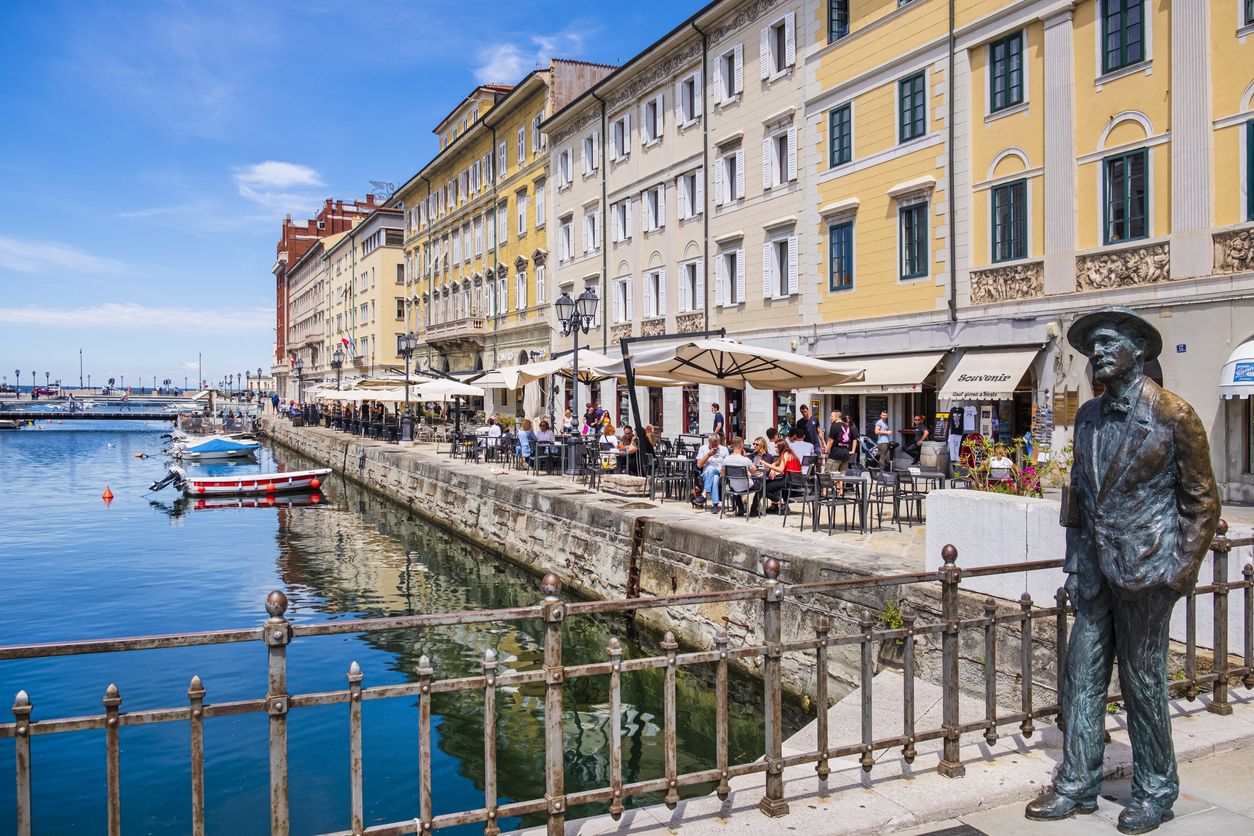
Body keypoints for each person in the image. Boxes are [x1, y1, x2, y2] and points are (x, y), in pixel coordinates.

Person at [1024, 308, 1220, 834]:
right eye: (1094, 347)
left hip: (1147, 571)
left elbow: (1202, 501)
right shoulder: (1087, 417)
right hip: (1095, 571)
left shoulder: (1173, 414)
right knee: (1079, 677)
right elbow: (1079, 499)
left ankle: (1155, 789)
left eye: (1110, 343)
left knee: (1143, 682)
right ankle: (1077, 782)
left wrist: (1178, 573)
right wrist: (1076, 564)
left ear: (1138, 347)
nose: (1099, 353)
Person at [720, 436, 762, 517]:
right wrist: (745, 457)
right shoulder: (745, 460)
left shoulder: (726, 460)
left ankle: (740, 509)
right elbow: (754, 471)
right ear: (742, 445)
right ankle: (754, 510)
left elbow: (723, 473)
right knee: (761, 485)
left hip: (734, 487)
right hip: (746, 486)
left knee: (736, 484)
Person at [762, 438, 801, 512]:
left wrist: (766, 464)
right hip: (794, 479)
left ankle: (780, 501)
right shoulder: (789, 453)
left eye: (776, 447)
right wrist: (773, 470)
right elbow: (775, 463)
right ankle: (777, 506)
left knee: (764, 488)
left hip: (789, 480)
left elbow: (780, 469)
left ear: (781, 447)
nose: (775, 449)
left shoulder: (785, 454)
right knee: (770, 483)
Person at [694, 433, 729, 512]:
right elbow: (699, 465)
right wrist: (709, 454)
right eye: (712, 443)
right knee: (714, 477)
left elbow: (727, 464)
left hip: (720, 473)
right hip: (706, 474)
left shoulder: (724, 449)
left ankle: (704, 494)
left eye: (715, 443)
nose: (714, 446)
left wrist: (723, 470)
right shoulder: (703, 448)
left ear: (719, 441)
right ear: (708, 441)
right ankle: (715, 505)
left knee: (713, 472)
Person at [824, 410, 857, 476]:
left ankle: (827, 487)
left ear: (837, 417)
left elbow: (830, 441)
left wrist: (825, 453)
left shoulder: (834, 426)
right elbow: (854, 439)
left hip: (835, 454)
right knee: (842, 477)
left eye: (831, 416)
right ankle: (840, 487)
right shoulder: (848, 427)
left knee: (828, 476)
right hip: (846, 455)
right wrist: (852, 451)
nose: (830, 417)